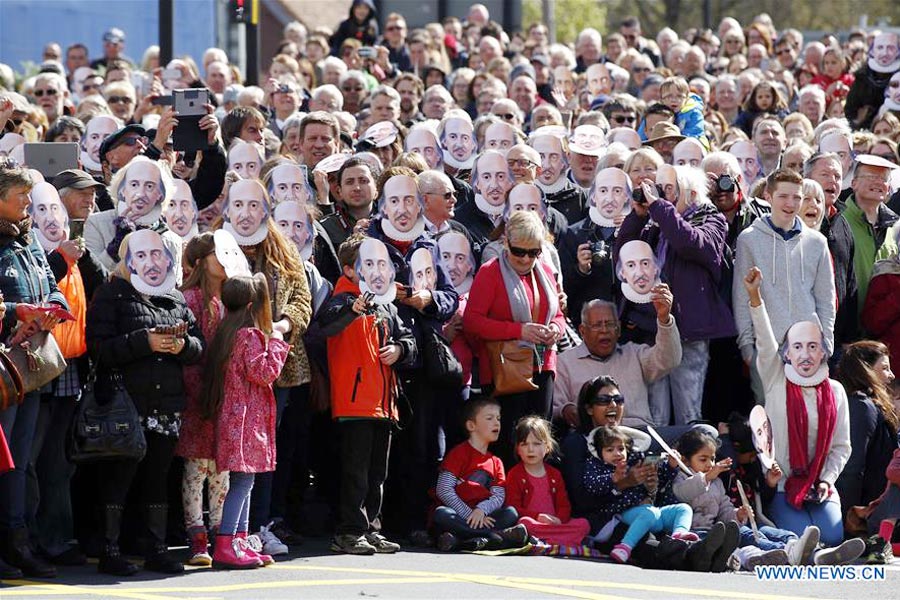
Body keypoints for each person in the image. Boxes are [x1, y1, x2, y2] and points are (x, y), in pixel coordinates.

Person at [85, 229, 203, 575]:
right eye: (141, 255)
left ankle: (156, 549)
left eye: (157, 254)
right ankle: (110, 551)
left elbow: (198, 347)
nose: (151, 262)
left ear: (167, 259)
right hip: (125, 404)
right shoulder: (111, 293)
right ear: (128, 260)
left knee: (157, 478)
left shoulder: (175, 297)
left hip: (166, 406)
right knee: (118, 478)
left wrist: (181, 346)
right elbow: (98, 349)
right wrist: (144, 342)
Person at [743, 267, 855, 548]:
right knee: (800, 536)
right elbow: (765, 341)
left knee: (832, 536)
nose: (805, 354)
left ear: (823, 352)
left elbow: (841, 447)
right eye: (798, 347)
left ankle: (817, 548)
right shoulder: (775, 379)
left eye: (813, 347)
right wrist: (755, 297)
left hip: (820, 487)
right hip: (782, 485)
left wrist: (826, 480)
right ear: (788, 353)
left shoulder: (836, 391)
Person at [319, 235, 415, 555]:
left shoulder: (385, 303)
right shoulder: (342, 298)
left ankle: (371, 528)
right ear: (349, 269)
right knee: (356, 473)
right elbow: (328, 324)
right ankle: (349, 531)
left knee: (377, 474)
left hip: (383, 403)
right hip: (355, 403)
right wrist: (353, 307)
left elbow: (409, 340)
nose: (376, 270)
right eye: (367, 264)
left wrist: (400, 350)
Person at [616, 165, 733, 425]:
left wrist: (659, 207)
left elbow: (691, 244)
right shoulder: (656, 223)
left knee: (687, 412)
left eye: (668, 188)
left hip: (690, 332)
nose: (660, 194)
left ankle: (690, 452)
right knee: (656, 413)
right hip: (653, 330)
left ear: (691, 194)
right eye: (659, 187)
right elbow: (623, 257)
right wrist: (637, 217)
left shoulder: (711, 220)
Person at [463, 211, 566, 464]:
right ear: (506, 243)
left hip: (542, 364)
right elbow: (472, 322)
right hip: (504, 370)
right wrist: (518, 330)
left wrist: (555, 328)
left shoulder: (544, 270)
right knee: (510, 446)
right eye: (519, 251)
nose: (526, 259)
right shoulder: (490, 272)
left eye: (533, 252)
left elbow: (558, 314)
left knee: (540, 442)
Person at [203, 274, 290, 569]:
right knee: (243, 482)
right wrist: (276, 342)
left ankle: (238, 542)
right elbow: (263, 373)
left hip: (234, 418)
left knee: (245, 481)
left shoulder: (225, 332)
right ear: (252, 306)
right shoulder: (248, 336)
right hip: (245, 421)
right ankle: (226, 542)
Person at [732, 169, 836, 402]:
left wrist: (826, 344)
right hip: (766, 348)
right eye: (783, 196)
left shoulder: (817, 242)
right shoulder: (749, 239)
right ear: (768, 197)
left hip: (809, 348)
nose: (790, 204)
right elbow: (741, 297)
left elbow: (826, 299)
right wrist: (747, 348)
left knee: (809, 417)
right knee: (770, 416)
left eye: (797, 197)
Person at [174, 233, 236, 567]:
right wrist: (202, 389)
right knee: (196, 468)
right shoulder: (190, 299)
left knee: (222, 469)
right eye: (217, 254)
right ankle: (197, 536)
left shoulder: (231, 298)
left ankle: (222, 533)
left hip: (226, 394)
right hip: (198, 394)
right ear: (200, 262)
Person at [672, 428, 819, 570]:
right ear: (686, 460)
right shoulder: (680, 478)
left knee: (747, 533)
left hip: (717, 529)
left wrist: (738, 514)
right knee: (733, 540)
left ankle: (806, 551)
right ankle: (788, 552)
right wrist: (707, 477)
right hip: (695, 534)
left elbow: (724, 510)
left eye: (712, 459)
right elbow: (683, 493)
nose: (710, 464)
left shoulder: (716, 483)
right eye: (703, 459)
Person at [583, 426, 694, 564]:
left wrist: (671, 465)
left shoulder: (635, 461)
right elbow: (592, 485)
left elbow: (661, 477)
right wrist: (613, 478)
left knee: (684, 509)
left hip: (651, 512)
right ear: (599, 452)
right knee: (649, 514)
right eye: (610, 450)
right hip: (625, 514)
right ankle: (625, 547)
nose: (617, 453)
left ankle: (679, 535)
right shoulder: (597, 465)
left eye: (621, 449)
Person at [432, 398, 529, 552]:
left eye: (498, 418)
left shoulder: (496, 461)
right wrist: (470, 514)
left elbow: (498, 496)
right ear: (471, 425)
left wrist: (481, 511)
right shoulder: (458, 453)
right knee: (441, 514)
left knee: (511, 513)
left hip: (484, 516)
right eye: (489, 418)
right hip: (460, 515)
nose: (496, 423)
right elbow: (444, 489)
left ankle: (463, 540)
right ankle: (494, 537)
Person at [504, 416, 591, 547]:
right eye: (524, 444)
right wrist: (537, 516)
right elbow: (513, 508)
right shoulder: (515, 474)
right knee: (525, 523)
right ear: (518, 449)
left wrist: (559, 520)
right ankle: (563, 540)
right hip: (534, 524)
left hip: (555, 524)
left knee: (583, 524)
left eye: (536, 444)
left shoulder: (555, 474)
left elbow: (564, 505)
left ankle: (547, 540)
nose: (530, 449)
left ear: (547, 447)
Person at [836, 341, 899, 511]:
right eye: (885, 368)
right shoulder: (861, 406)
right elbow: (852, 468)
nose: (892, 375)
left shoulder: (871, 404)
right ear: (866, 370)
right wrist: (849, 514)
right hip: (866, 509)